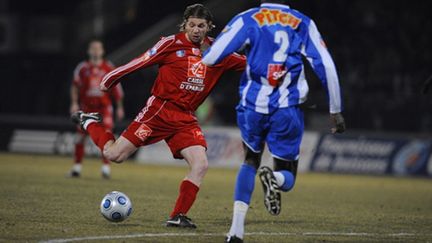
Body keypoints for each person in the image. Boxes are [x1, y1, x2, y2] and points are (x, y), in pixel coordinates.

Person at [71, 4, 246, 228]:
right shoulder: (171, 43)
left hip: (185, 117)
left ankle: (178, 215)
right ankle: (91, 122)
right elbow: (141, 61)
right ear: (185, 25)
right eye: (191, 25)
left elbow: (251, 64)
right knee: (115, 155)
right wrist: (110, 78)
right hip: (160, 111)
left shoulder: (218, 52)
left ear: (208, 27)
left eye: (201, 26)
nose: (195, 30)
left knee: (200, 164)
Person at [201, 0, 346, 242]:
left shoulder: (248, 17)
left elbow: (212, 58)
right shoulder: (302, 21)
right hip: (286, 110)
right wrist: (336, 109)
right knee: (287, 178)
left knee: (250, 160)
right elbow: (326, 65)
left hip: (252, 108)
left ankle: (236, 231)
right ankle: (274, 179)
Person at [69, 40, 124, 179]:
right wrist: (74, 103)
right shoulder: (82, 68)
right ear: (89, 51)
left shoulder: (108, 67)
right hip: (86, 108)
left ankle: (105, 169)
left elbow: (117, 88)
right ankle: (76, 168)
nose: (95, 51)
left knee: (106, 136)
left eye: (98, 48)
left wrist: (119, 107)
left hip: (104, 108)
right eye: (93, 48)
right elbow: (75, 86)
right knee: (80, 137)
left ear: (102, 51)